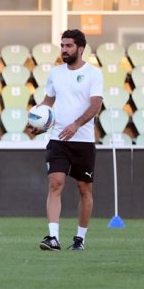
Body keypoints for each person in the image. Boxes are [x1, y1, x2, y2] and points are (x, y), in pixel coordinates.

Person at [29, 29, 104, 251]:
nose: (64, 50)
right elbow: (48, 101)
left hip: (83, 141)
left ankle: (80, 239)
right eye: (62, 45)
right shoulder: (56, 73)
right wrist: (39, 122)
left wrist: (76, 125)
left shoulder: (94, 73)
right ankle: (53, 237)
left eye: (69, 46)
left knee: (84, 189)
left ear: (81, 49)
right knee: (55, 183)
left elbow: (96, 105)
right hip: (58, 139)